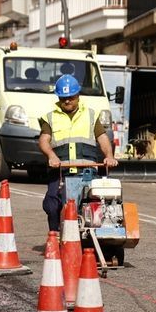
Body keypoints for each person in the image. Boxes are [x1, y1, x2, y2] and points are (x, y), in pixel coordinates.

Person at [38, 74, 118, 231]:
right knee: (52, 204)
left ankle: (97, 233)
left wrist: (109, 156)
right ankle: (55, 236)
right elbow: (43, 140)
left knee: (98, 203)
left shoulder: (90, 115)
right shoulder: (50, 117)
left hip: (87, 173)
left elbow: (102, 138)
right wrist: (51, 156)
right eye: (63, 98)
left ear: (78, 95)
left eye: (71, 97)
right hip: (61, 173)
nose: (67, 101)